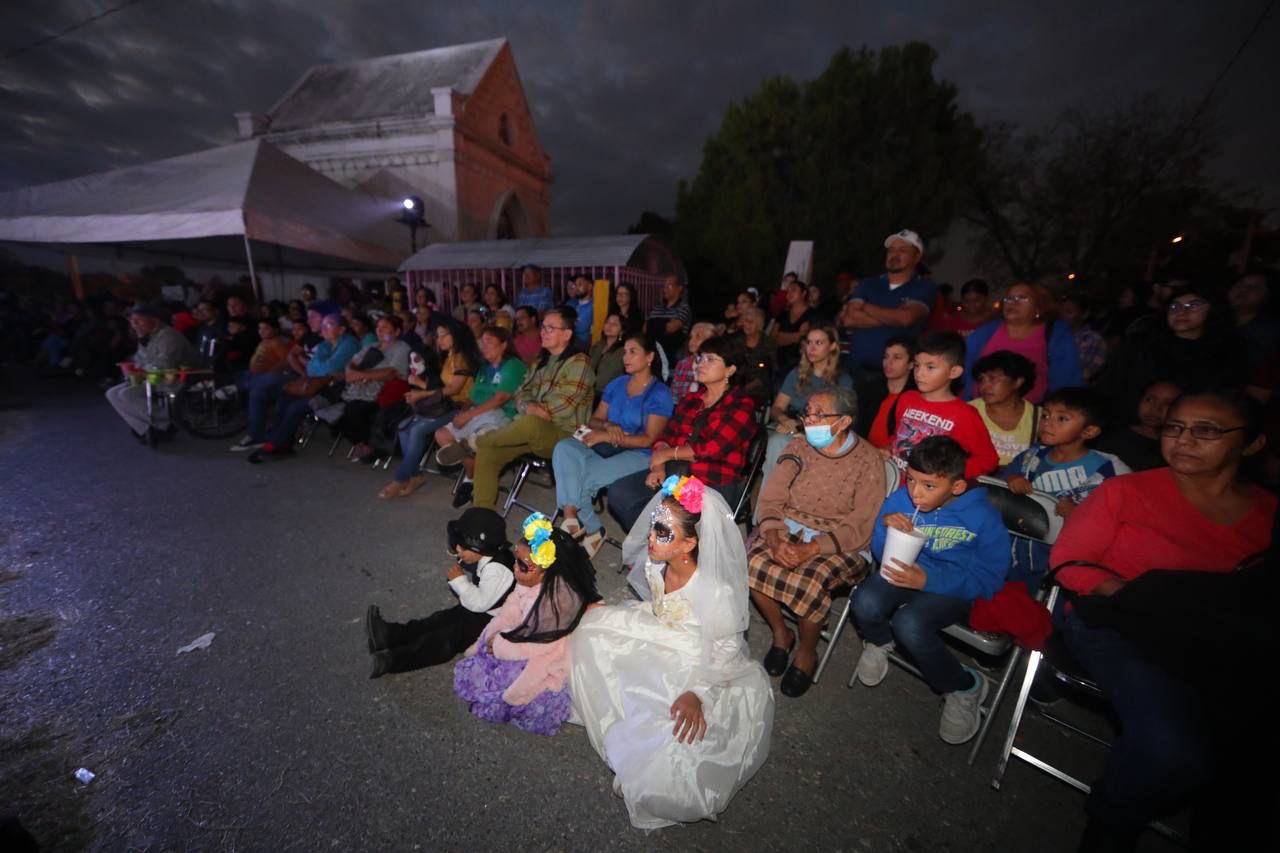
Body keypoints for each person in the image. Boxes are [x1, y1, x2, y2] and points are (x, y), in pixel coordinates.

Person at [1049, 389, 1276, 851]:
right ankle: (1109, 825)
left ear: (1251, 444)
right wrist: (1150, 601)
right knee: (1174, 751)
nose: (1185, 439)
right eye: (1176, 428)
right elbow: (1070, 563)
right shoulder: (1126, 491)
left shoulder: (1268, 516)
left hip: (1219, 641)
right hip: (1117, 624)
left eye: (1206, 430)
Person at [570, 478, 774, 829]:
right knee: (590, 631)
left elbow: (726, 651)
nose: (650, 538)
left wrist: (697, 693)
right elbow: (657, 607)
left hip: (702, 661)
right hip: (662, 633)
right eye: (653, 527)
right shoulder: (656, 564)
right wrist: (619, 617)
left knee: (668, 762)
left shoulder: (716, 593)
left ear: (690, 544)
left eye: (664, 533)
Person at [850, 436, 1011, 744]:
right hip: (905, 572)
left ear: (957, 487)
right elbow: (882, 555)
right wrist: (886, 527)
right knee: (865, 600)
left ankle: (963, 685)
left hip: (952, 588)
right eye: (911, 480)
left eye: (928, 486)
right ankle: (880, 641)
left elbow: (990, 578)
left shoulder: (982, 517)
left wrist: (929, 581)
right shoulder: (901, 501)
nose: (915, 492)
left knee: (909, 623)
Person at [748, 387, 887, 698]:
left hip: (840, 540)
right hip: (789, 525)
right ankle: (781, 634)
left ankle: (807, 652)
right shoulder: (799, 448)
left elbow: (861, 525)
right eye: (807, 412)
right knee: (751, 562)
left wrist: (811, 548)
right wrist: (773, 536)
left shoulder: (868, 461)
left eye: (819, 414)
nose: (809, 419)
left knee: (810, 583)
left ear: (844, 421)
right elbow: (772, 497)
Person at [453, 516, 601, 736]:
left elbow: (540, 651)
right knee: (483, 658)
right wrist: (489, 637)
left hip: (543, 661)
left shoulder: (552, 605)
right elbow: (510, 610)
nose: (515, 568)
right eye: (516, 559)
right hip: (525, 641)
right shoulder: (531, 582)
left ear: (547, 571)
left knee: (500, 682)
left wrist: (501, 645)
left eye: (524, 565)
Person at [605, 335, 759, 532]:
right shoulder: (692, 400)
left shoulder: (741, 406)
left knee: (669, 514)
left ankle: (668, 548)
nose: (701, 364)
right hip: (675, 472)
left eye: (710, 359)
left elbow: (711, 449)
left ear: (730, 369)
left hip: (712, 480)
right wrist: (659, 466)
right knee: (620, 492)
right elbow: (665, 436)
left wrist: (667, 454)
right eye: (700, 358)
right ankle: (658, 546)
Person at [553, 334, 674, 556]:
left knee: (585, 476)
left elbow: (649, 438)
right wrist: (608, 426)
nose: (625, 357)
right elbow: (594, 420)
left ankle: (590, 529)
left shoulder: (660, 394)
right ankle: (571, 517)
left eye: (632, 351)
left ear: (649, 357)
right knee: (564, 448)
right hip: (606, 444)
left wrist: (606, 436)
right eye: (624, 352)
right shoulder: (617, 384)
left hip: (640, 453)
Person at [365, 508, 516, 678]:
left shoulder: (497, 571)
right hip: (478, 612)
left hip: (487, 622)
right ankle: (389, 635)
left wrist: (460, 582)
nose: (457, 549)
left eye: (463, 547)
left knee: (441, 641)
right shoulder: (490, 558)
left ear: (481, 549)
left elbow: (480, 603)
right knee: (437, 621)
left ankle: (392, 660)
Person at [470, 307, 594, 510]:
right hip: (532, 430)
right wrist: (528, 406)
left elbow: (561, 409)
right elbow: (521, 392)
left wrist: (531, 410)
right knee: (488, 453)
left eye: (550, 328)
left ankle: (477, 441)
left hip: (566, 435)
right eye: (543, 327)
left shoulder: (580, 363)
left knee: (526, 424)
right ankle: (482, 518)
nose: (543, 332)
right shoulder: (540, 361)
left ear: (567, 334)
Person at [1005, 387, 1130, 588]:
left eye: (1062, 419)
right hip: (1013, 552)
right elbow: (1002, 484)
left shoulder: (1107, 472)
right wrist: (1012, 478)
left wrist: (1079, 515)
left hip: (1059, 563)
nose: (1047, 422)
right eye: (1045, 415)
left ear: (1089, 431)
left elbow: (1116, 521)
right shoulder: (1031, 457)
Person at [1097, 284, 1247, 423]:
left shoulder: (1224, 354)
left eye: (1193, 305)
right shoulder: (1140, 344)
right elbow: (1110, 387)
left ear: (1213, 310)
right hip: (1126, 427)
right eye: (1175, 306)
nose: (1181, 312)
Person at [429, 326, 529, 504]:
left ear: (504, 344)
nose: (484, 346)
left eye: (489, 342)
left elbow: (500, 399)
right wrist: (463, 413)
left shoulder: (513, 365)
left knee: (483, 437)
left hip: (503, 415)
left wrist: (468, 416)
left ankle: (470, 477)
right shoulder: (484, 368)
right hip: (478, 414)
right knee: (441, 434)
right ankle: (472, 471)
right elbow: (472, 398)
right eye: (482, 342)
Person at [887, 331, 999, 481]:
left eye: (930, 367)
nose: (919, 374)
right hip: (893, 482)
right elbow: (897, 437)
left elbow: (987, 459)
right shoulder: (907, 399)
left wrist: (948, 475)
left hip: (928, 496)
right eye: (917, 366)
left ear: (953, 372)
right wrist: (886, 449)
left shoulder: (965, 414)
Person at [250, 313, 359, 461]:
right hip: (316, 385)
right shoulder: (326, 344)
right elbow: (312, 369)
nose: (324, 329)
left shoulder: (349, 344)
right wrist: (320, 366)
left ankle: (277, 444)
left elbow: (328, 367)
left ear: (341, 329)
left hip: (336, 391)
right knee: (285, 398)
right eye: (323, 326)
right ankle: (277, 440)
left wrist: (320, 366)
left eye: (329, 325)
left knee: (296, 407)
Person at [761, 325, 853, 489]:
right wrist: (784, 419)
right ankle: (768, 504)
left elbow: (840, 422)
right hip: (792, 427)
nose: (811, 348)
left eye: (818, 343)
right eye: (809, 342)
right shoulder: (796, 374)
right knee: (777, 442)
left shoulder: (843, 381)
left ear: (832, 346)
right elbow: (777, 408)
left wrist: (807, 433)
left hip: (822, 434)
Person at [963, 282, 1083, 404]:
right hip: (981, 410)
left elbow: (1067, 381)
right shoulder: (984, 333)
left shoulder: (1055, 334)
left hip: (1031, 415)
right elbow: (967, 375)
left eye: (1022, 298)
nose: (1013, 302)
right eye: (1008, 298)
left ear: (1038, 307)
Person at [840, 229, 936, 382]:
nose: (894, 255)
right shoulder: (869, 283)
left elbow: (906, 318)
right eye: (891, 250)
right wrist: (893, 317)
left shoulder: (923, 287)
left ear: (917, 256)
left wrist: (865, 306)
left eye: (903, 250)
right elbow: (849, 319)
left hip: (895, 378)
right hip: (855, 370)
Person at [106, 303, 198, 441]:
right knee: (112, 393)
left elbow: (165, 364)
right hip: (152, 377)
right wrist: (134, 370)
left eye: (138, 319)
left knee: (127, 394)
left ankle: (166, 422)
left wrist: (139, 370)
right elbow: (139, 359)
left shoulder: (169, 336)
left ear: (155, 320)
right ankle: (145, 428)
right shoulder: (146, 336)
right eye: (132, 320)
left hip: (174, 378)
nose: (134, 324)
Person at [335, 315, 413, 461]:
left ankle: (370, 446)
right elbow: (351, 364)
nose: (380, 331)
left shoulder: (401, 348)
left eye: (385, 328)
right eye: (378, 327)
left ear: (396, 332)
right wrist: (355, 373)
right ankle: (365, 444)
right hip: (360, 388)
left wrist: (363, 375)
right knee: (339, 415)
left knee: (353, 410)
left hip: (384, 391)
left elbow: (391, 373)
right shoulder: (372, 346)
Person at [969, 350, 1039, 469]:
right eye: (981, 379)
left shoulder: (1039, 417)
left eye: (993, 379)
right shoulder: (969, 411)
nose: (984, 386)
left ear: (1017, 382)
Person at [1093, 379, 1181, 472]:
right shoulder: (1113, 438)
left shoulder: (1178, 445)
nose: (1156, 408)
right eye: (1149, 399)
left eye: (1168, 403)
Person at [858, 335, 916, 449]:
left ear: (911, 364)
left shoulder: (915, 397)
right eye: (886, 357)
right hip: (864, 453)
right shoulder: (868, 389)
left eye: (897, 357)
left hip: (895, 460)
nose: (888, 363)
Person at [1228, 270, 1279, 370]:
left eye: (1255, 287)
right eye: (1240, 284)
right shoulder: (1211, 319)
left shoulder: (1270, 331)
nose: (1244, 289)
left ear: (1267, 296)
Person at [772, 277, 817, 375]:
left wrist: (782, 335)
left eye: (793, 290)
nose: (789, 294)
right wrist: (796, 336)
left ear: (804, 293)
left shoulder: (812, 314)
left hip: (800, 364)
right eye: (788, 291)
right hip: (779, 362)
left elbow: (803, 338)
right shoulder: (783, 314)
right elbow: (773, 338)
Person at [1058, 294, 1107, 382]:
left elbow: (1080, 375)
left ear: (1085, 314)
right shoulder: (1054, 334)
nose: (1062, 316)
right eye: (1060, 312)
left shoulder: (1092, 340)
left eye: (1069, 312)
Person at [644, 274, 692, 365]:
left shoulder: (684, 308)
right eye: (664, 286)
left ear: (679, 288)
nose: (665, 289)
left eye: (669, 286)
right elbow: (645, 328)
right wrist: (664, 324)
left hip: (672, 352)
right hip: (654, 349)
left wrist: (653, 324)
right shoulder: (657, 308)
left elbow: (672, 328)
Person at [734, 306, 777, 405]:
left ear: (760, 325)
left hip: (756, 391)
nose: (747, 324)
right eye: (746, 321)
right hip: (735, 386)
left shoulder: (768, 344)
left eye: (751, 322)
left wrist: (744, 390)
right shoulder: (737, 339)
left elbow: (769, 372)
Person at [667, 321, 715, 403]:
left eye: (698, 337)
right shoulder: (682, 364)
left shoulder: (715, 366)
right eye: (691, 337)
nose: (692, 340)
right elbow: (674, 395)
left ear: (711, 341)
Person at [588, 313, 626, 395]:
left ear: (621, 331)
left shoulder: (623, 351)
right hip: (590, 391)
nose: (609, 326)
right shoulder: (598, 345)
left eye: (614, 324)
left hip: (609, 394)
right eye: (607, 322)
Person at [564, 273, 595, 345]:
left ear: (590, 286)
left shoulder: (595, 305)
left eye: (580, 284)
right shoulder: (570, 303)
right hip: (568, 342)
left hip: (584, 345)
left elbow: (581, 328)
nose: (576, 288)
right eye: (575, 285)